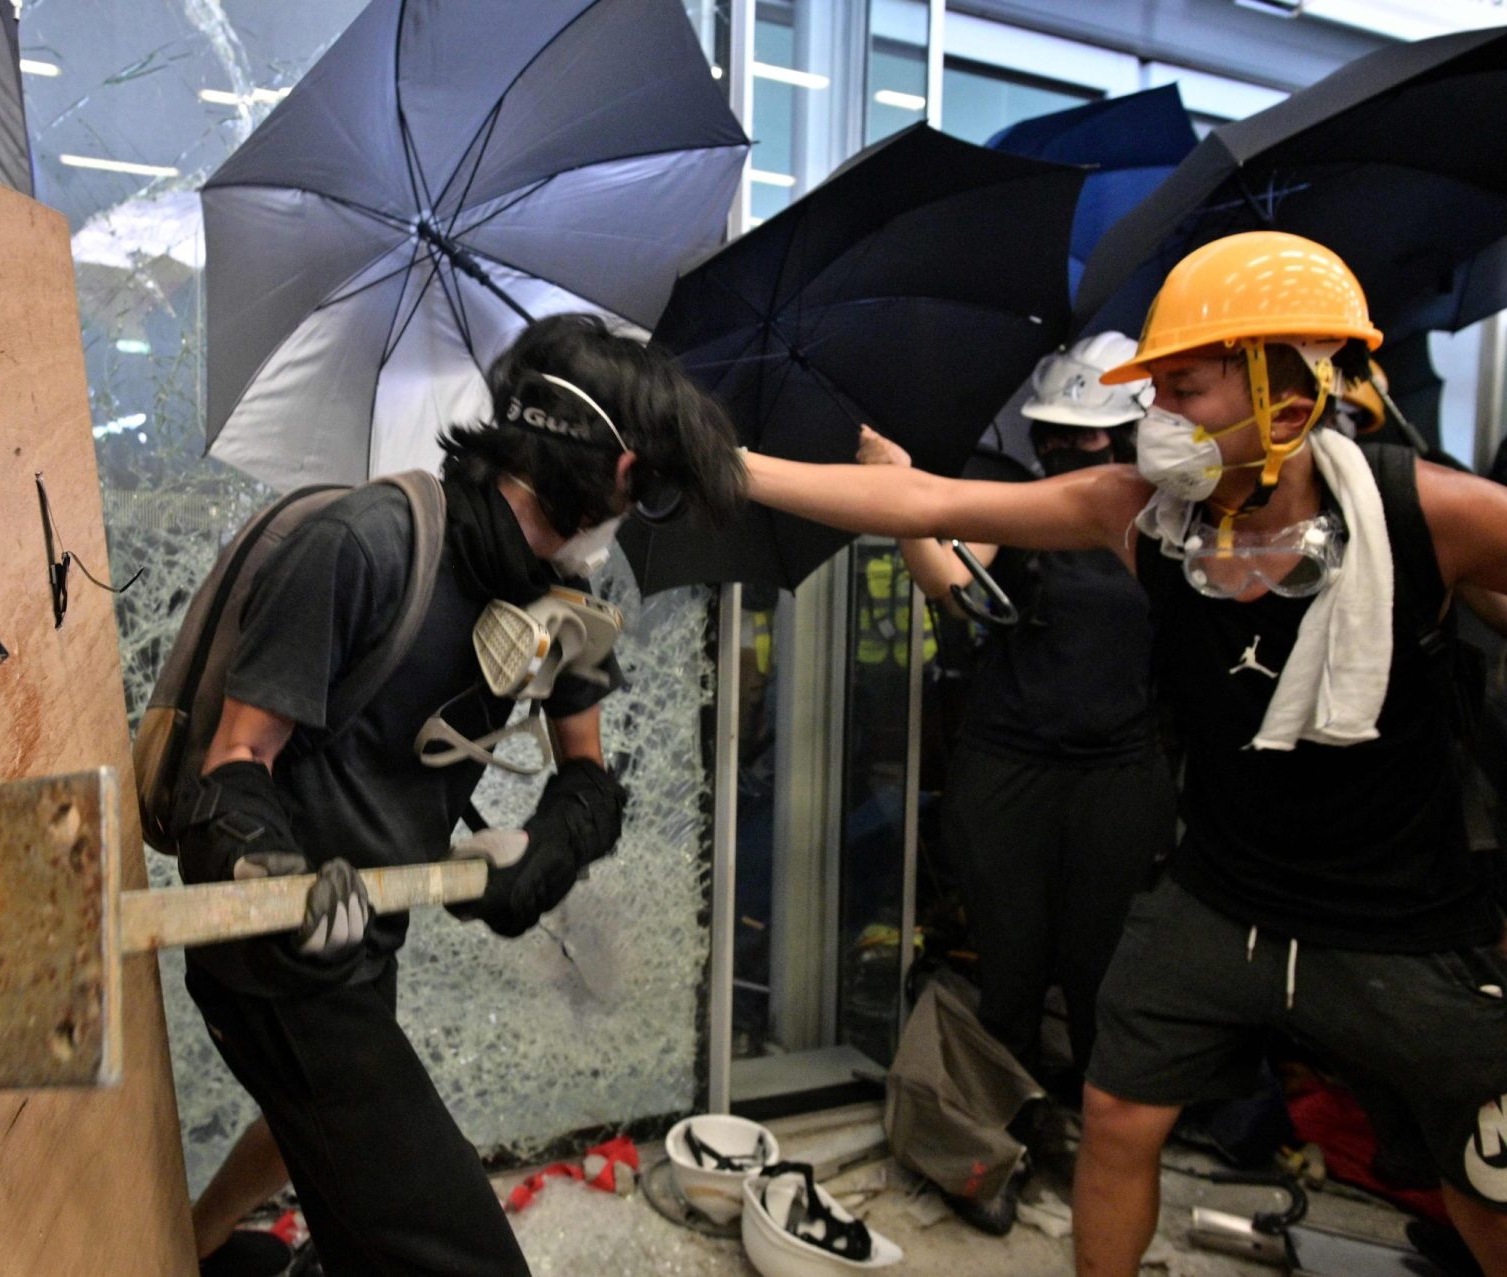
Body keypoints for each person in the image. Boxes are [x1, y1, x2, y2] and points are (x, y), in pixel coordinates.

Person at [736, 232, 1507, 1275]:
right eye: (1156, 397)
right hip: (1223, 894)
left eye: (1182, 392)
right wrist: (729, 465)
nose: (1157, 423)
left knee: (1482, 1174)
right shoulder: (1138, 514)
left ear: (1284, 406)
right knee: (1117, 1110)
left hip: (1399, 918)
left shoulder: (1432, 514)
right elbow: (926, 506)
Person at [174, 314, 744, 1275]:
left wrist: (547, 851)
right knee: (462, 1256)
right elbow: (232, 767)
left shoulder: (554, 597)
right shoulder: (368, 548)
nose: (634, 519)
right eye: (644, 489)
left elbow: (590, 781)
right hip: (277, 963)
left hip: (371, 944)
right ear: (609, 471)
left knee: (339, 1167)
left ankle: (196, 1250)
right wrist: (283, 882)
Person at [872, 334, 1177, 1233]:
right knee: (1010, 967)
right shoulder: (1018, 503)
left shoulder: (1158, 518)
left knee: (1102, 973)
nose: (1066, 453)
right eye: (1053, 436)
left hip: (1120, 776)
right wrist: (901, 495)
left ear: (1126, 438)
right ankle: (1004, 1133)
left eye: (1085, 441)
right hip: (1009, 772)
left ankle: (1100, 1137)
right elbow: (946, 580)